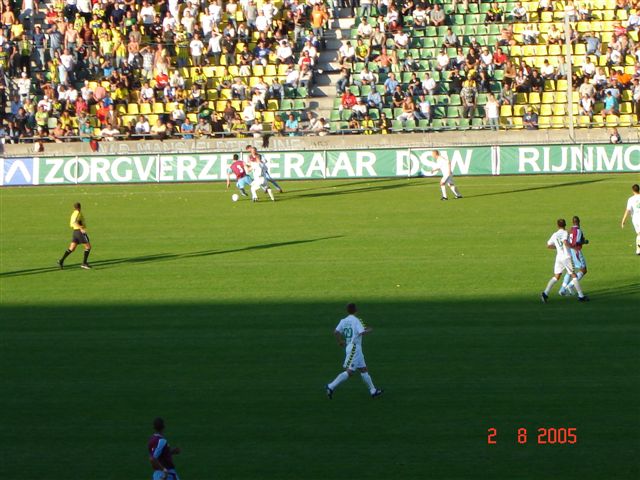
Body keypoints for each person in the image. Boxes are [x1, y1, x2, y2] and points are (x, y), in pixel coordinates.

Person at [325, 303, 383, 400]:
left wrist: (340, 342)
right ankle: (331, 386)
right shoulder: (356, 320)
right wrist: (369, 330)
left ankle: (373, 391)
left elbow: (336, 332)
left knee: (364, 370)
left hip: (352, 347)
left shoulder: (343, 320)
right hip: (354, 348)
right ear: (356, 310)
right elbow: (362, 332)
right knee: (350, 372)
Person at [541, 219, 589, 303]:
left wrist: (557, 247)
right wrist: (572, 247)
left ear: (557, 225)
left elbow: (548, 245)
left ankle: (545, 293)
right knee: (573, 275)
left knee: (556, 276)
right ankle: (581, 296)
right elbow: (565, 242)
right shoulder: (565, 233)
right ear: (565, 225)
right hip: (566, 257)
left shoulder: (554, 234)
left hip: (558, 257)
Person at [559, 216, 589, 296]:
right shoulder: (578, 230)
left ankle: (562, 289)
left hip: (569, 252)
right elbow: (576, 242)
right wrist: (584, 241)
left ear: (573, 222)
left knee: (570, 270)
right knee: (583, 270)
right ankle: (570, 286)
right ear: (579, 222)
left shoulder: (569, 230)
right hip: (576, 251)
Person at [58, 202, 92, 270]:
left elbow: (72, 223)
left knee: (72, 248)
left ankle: (61, 261)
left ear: (74, 208)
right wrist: (81, 228)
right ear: (79, 207)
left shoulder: (73, 213)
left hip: (75, 232)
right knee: (88, 247)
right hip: (79, 232)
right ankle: (84, 263)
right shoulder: (77, 213)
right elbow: (74, 222)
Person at [621, 183, 640, 255]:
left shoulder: (631, 199)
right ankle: (638, 249)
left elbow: (628, 210)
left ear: (633, 190)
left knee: (639, 234)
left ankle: (638, 250)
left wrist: (623, 220)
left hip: (635, 219)